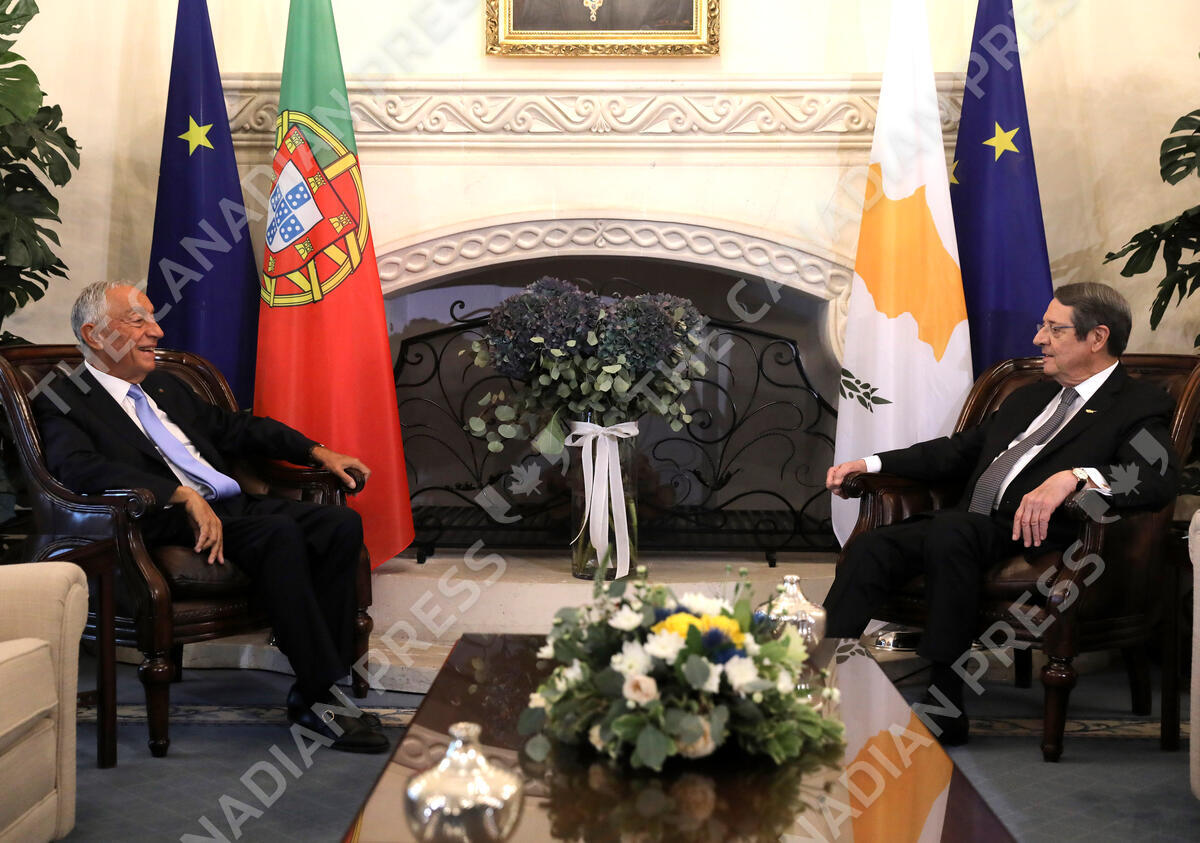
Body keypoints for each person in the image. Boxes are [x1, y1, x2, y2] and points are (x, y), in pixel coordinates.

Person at [34, 281, 388, 753]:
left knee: (339, 524)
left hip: (229, 504)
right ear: (95, 335)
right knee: (277, 532)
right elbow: (78, 468)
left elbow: (236, 427)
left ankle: (320, 678)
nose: (156, 331)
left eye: (152, 319)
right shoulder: (63, 398)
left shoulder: (163, 385)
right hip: (155, 516)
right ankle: (319, 697)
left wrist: (316, 451)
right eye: (138, 321)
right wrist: (178, 494)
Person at [824, 282, 1178, 745]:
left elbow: (1154, 476)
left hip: (1043, 536)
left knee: (952, 531)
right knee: (873, 546)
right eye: (1042, 326)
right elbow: (956, 452)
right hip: (972, 526)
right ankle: (815, 676)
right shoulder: (1029, 397)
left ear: (1097, 337)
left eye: (1054, 329)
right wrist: (871, 464)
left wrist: (1077, 476)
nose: (1039, 339)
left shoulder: (1138, 403)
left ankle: (945, 696)